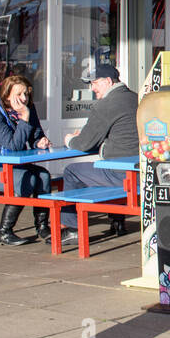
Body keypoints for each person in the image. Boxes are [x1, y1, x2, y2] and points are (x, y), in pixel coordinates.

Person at [50, 63, 139, 245]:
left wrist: (69, 139)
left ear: (108, 81)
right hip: (141, 171)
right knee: (101, 169)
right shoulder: (136, 98)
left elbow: (84, 144)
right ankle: (117, 221)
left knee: (72, 172)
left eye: (95, 83)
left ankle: (72, 229)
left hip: (121, 174)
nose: (92, 88)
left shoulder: (106, 105)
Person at [0, 75, 53, 246]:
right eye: (19, 94)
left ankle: (43, 226)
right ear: (7, 95)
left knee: (44, 176)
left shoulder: (28, 108)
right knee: (24, 179)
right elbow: (13, 145)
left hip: (14, 166)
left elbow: (36, 135)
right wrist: (24, 117)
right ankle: (4, 231)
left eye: (26, 94)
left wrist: (40, 141)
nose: (24, 98)